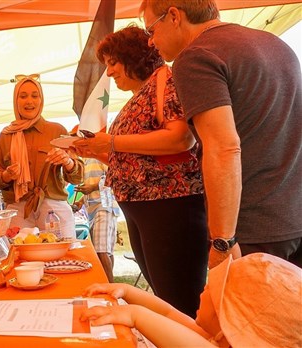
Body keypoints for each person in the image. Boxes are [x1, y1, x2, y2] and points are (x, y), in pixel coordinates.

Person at [140, 0, 302, 268]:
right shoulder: (276, 44)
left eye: (151, 30)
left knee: (243, 311)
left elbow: (223, 147)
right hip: (294, 217)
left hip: (253, 229)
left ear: (173, 16)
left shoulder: (196, 56)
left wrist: (222, 241)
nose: (150, 42)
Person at [73, 26, 207, 318]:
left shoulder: (166, 82)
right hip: (145, 208)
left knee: (180, 301)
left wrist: (109, 141)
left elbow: (181, 138)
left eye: (112, 63)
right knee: (166, 295)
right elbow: (136, 158)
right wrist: (94, 150)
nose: (108, 73)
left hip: (169, 205)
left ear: (132, 56)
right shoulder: (141, 93)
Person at [81, 253, 302, 347]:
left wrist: (134, 314)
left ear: (226, 320)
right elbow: (167, 312)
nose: (202, 292)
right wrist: (128, 291)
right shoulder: (213, 336)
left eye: (209, 290)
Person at [0, 74, 84, 239]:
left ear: (41, 100)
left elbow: (78, 177)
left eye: (35, 96)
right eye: (23, 96)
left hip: (53, 208)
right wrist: (7, 175)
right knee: (21, 259)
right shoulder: (6, 135)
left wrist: (67, 162)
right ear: (15, 100)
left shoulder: (57, 131)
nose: (29, 101)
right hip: (19, 210)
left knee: (61, 260)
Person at [75, 158, 119, 283]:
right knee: (105, 251)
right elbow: (90, 189)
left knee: (101, 251)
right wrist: (80, 202)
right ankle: (109, 285)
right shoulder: (84, 162)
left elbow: (114, 175)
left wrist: (93, 187)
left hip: (105, 205)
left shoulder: (99, 157)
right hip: (92, 209)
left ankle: (110, 289)